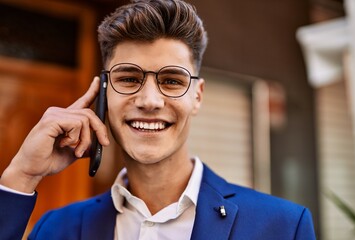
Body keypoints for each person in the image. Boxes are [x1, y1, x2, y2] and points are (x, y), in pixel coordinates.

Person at [0, 0, 316, 239]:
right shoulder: (57, 228)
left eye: (172, 81)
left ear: (198, 95)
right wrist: (21, 176)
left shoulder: (283, 227)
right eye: (128, 78)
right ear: (102, 93)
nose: (149, 101)